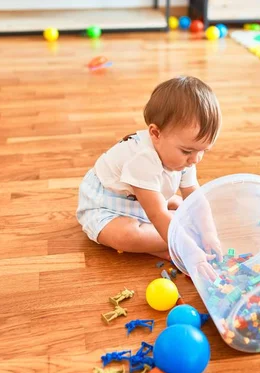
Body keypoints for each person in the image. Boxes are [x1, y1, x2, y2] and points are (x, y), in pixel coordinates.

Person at [76, 75, 222, 262]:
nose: (195, 159)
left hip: (142, 200)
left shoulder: (188, 156)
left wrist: (209, 235)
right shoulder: (142, 159)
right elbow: (157, 214)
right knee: (126, 236)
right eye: (187, 151)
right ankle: (168, 241)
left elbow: (196, 198)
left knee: (186, 209)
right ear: (155, 133)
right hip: (105, 206)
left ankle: (169, 237)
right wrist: (190, 249)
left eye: (204, 151)